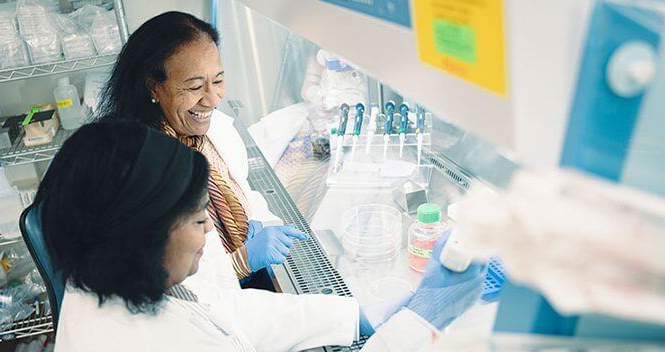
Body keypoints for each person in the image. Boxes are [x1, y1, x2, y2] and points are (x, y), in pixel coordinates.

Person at [35, 121, 487, 351]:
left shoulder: (102, 273)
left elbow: (225, 315)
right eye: (197, 221)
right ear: (140, 235)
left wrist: (356, 316)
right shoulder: (147, 342)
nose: (210, 230)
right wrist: (422, 319)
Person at [99, 11, 293, 280]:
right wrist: (242, 261)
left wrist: (261, 220)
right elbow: (177, 288)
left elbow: (242, 187)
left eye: (218, 81)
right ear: (153, 87)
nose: (212, 99)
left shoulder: (207, 135)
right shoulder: (141, 174)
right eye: (194, 87)